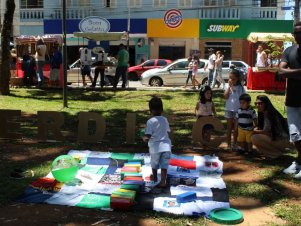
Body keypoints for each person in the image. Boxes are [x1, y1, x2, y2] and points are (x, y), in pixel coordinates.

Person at [278, 21, 301, 179]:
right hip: (292, 100)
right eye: (296, 33)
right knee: (295, 135)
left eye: (300, 32)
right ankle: (299, 162)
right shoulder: (289, 50)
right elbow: (280, 71)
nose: (298, 35)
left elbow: (286, 72)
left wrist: (289, 73)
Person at [143, 97, 171, 189]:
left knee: (154, 163)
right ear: (162, 109)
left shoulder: (150, 121)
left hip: (155, 147)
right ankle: (163, 181)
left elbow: (148, 135)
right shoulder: (165, 119)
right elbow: (168, 131)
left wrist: (144, 138)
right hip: (166, 146)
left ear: (150, 110)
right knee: (164, 165)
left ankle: (154, 177)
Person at [224, 68, 246, 150]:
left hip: (237, 110)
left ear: (237, 79)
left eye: (233, 79)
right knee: (229, 128)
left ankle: (235, 144)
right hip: (229, 109)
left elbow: (243, 99)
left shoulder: (241, 88)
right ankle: (228, 144)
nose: (231, 80)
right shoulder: (227, 86)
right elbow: (226, 96)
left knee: (236, 129)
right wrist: (229, 87)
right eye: (230, 78)